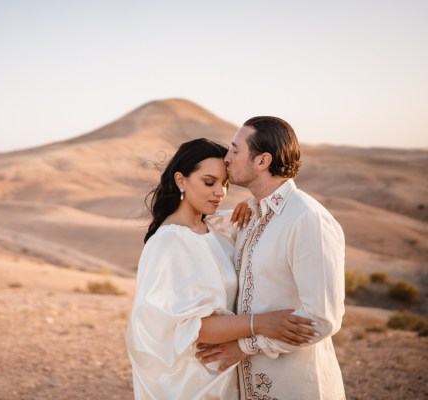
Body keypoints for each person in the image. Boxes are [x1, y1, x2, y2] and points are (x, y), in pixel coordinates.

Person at [125, 138, 317, 400]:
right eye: (209, 182)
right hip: (195, 379)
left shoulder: (213, 229)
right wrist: (262, 323)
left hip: (225, 372)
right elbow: (187, 328)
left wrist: (249, 204)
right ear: (181, 180)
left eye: (225, 184)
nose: (220, 192)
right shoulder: (169, 242)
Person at [196, 117, 346, 399]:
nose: (226, 158)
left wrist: (244, 346)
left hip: (296, 386)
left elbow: (322, 318)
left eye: (235, 150)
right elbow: (203, 224)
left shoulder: (307, 219)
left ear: (262, 160)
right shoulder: (251, 215)